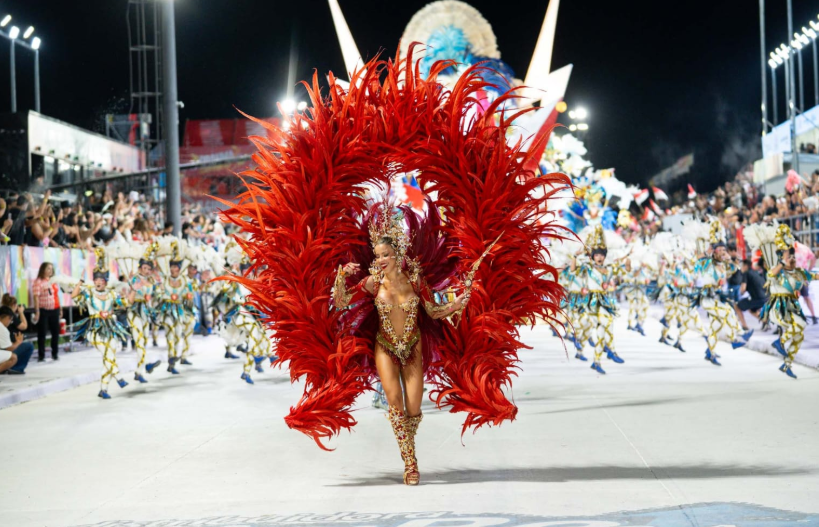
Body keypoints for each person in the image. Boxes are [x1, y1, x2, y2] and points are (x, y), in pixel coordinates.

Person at [334, 206, 473, 485]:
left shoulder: (415, 280)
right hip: (384, 346)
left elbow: (432, 311)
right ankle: (411, 464)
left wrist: (456, 304)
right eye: (377, 256)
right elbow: (341, 301)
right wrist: (340, 275)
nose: (381, 260)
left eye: (385, 255)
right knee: (395, 405)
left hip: (413, 346)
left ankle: (408, 449)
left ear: (397, 254)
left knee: (413, 409)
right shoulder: (372, 283)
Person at [691, 220, 753, 366]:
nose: (724, 253)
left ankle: (710, 353)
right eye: (721, 251)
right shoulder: (708, 264)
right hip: (707, 298)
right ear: (715, 252)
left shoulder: (722, 266)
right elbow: (697, 262)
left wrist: (735, 262)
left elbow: (732, 271)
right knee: (728, 312)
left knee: (715, 328)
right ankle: (737, 337)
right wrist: (707, 252)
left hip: (717, 298)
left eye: (725, 251)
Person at [72, 248, 131, 399]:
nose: (98, 282)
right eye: (96, 280)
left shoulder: (111, 294)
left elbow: (126, 303)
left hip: (110, 327)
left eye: (101, 280)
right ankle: (119, 377)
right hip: (94, 328)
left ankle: (103, 389)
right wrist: (80, 281)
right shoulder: (89, 293)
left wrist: (132, 288)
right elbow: (74, 296)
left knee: (109, 356)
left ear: (106, 281)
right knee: (106, 353)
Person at [761, 225, 819, 379]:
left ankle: (787, 364)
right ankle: (779, 342)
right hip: (779, 307)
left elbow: (814, 276)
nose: (793, 259)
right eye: (789, 257)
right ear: (782, 260)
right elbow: (770, 274)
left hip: (792, 306)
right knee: (801, 324)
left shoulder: (799, 272)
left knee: (799, 336)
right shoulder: (776, 272)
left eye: (794, 257)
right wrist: (781, 262)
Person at [571, 225, 624, 374]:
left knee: (603, 330)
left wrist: (626, 264)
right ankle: (610, 350)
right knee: (604, 323)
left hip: (605, 299)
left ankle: (597, 361)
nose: (599, 257)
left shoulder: (608, 269)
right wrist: (575, 256)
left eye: (602, 254)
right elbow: (573, 270)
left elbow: (621, 277)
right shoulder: (587, 267)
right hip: (592, 301)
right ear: (593, 255)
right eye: (597, 254)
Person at [156, 241, 195, 374]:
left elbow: (190, 295)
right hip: (167, 310)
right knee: (170, 334)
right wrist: (162, 293)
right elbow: (158, 294)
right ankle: (171, 358)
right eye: (171, 267)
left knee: (178, 335)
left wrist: (188, 296)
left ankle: (173, 362)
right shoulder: (164, 280)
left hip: (179, 310)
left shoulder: (185, 281)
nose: (174, 270)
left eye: (176, 267)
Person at [127, 244, 162, 383]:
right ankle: (143, 368)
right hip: (134, 311)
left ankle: (140, 369)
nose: (147, 271)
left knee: (145, 340)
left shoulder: (151, 281)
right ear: (140, 267)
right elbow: (130, 294)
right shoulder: (134, 278)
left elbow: (155, 294)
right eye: (145, 268)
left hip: (145, 312)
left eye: (149, 269)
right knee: (140, 341)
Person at [32, 262, 62, 362]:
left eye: (51, 269)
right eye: (48, 268)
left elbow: (56, 295)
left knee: (55, 332)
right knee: (42, 333)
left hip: (55, 309)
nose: (50, 271)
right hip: (43, 309)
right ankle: (41, 355)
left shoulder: (53, 281)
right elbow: (36, 297)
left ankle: (55, 353)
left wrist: (60, 308)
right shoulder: (39, 281)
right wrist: (37, 311)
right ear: (43, 270)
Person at [734, 259, 768, 330]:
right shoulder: (756, 272)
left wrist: (741, 293)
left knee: (737, 306)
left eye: (741, 266)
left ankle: (744, 326)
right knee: (751, 309)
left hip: (757, 298)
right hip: (766, 298)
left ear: (746, 266)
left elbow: (743, 289)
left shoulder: (746, 274)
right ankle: (765, 321)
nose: (740, 268)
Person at [0, 305, 34, 374]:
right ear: (8, 317)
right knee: (13, 357)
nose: (10, 322)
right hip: (6, 347)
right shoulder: (2, 328)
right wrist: (18, 342)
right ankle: (17, 368)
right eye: (10, 320)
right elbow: (8, 349)